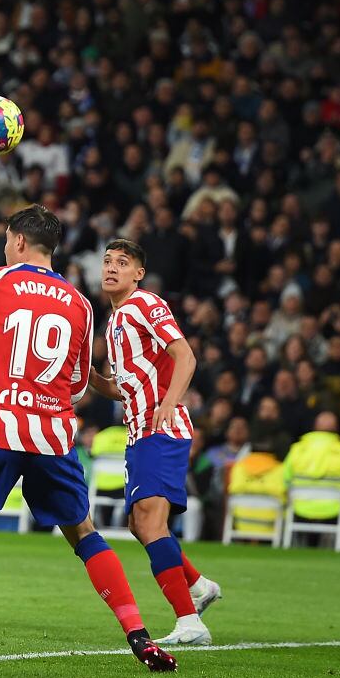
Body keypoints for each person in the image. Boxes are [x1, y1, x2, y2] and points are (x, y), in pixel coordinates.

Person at [0, 206, 177, 672]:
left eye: (7, 239)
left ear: (19, 241)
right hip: (52, 435)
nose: (6, 247)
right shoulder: (80, 302)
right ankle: (139, 636)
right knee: (83, 534)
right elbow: (79, 383)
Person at [88, 238, 222, 646]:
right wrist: (88, 376)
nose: (111, 268)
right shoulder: (114, 322)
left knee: (150, 522)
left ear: (139, 274)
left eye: (122, 262)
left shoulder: (146, 304)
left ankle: (189, 622)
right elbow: (122, 388)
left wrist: (169, 403)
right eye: (107, 261)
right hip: (139, 430)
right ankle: (197, 586)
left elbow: (185, 356)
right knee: (138, 523)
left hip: (161, 427)